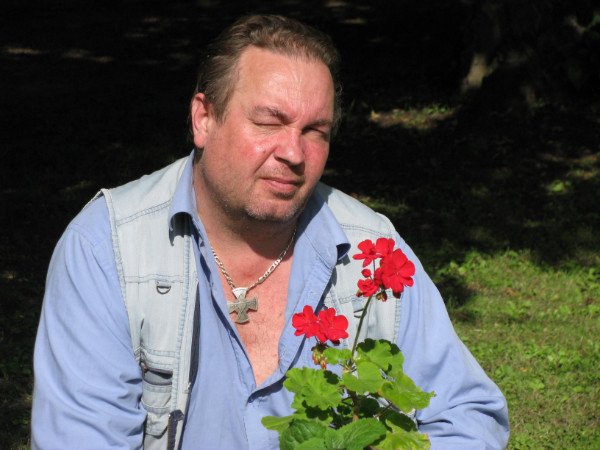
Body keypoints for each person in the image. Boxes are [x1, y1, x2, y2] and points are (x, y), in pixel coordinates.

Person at [32, 14, 509, 450]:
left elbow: (468, 415)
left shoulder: (371, 248)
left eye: (315, 131)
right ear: (203, 119)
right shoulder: (107, 248)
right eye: (268, 122)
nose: (294, 153)